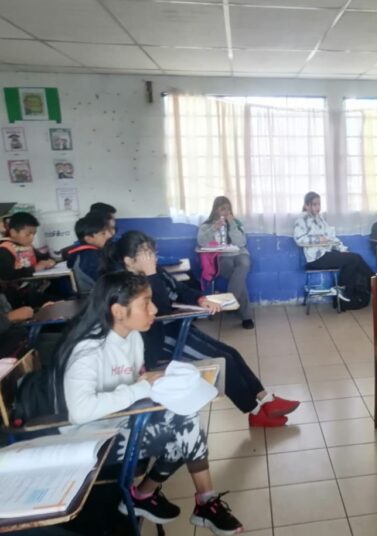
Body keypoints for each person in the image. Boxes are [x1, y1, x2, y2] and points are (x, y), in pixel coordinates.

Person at [55, 271, 243, 534]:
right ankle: (179, 499)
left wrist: (158, 383)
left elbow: (136, 382)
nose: (154, 309)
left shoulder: (132, 336)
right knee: (184, 429)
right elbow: (80, 412)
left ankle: (154, 496)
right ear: (118, 311)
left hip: (120, 419)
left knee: (185, 418)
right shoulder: (88, 349)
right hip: (90, 438)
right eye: (145, 303)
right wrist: (141, 387)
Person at [102, 231, 299, 428]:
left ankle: (266, 399)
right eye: (146, 253)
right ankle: (255, 412)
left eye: (152, 251)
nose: (152, 257)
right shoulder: (127, 285)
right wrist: (151, 274)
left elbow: (180, 289)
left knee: (231, 352)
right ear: (129, 260)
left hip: (176, 327)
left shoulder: (155, 271)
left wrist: (200, 299)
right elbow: (160, 309)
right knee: (224, 361)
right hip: (161, 339)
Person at [294, 191, 374, 310]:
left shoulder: (320, 219)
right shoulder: (302, 219)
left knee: (353, 259)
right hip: (315, 258)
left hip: (326, 254)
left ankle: (344, 296)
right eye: (314, 204)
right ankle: (375, 283)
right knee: (354, 259)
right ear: (306, 205)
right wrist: (318, 239)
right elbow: (299, 239)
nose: (318, 207)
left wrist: (342, 249)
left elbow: (331, 238)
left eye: (319, 204)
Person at [196, 197, 254, 329]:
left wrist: (232, 225)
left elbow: (241, 243)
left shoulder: (236, 223)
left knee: (244, 263)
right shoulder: (207, 225)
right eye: (223, 209)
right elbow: (201, 242)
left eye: (228, 208)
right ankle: (246, 316)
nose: (226, 212)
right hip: (222, 257)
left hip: (239, 253)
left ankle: (230, 300)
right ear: (215, 210)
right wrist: (214, 228)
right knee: (238, 279)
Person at [65, 212, 114, 295]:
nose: (109, 235)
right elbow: (106, 284)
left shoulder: (80, 252)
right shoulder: (91, 257)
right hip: (95, 297)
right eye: (103, 233)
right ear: (88, 238)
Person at [0, 212, 56, 281]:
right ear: (13, 233)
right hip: (19, 287)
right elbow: (6, 275)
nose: (32, 238)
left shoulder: (28, 246)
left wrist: (49, 261)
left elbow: (41, 258)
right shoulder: (4, 249)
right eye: (28, 234)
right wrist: (34, 269)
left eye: (34, 234)